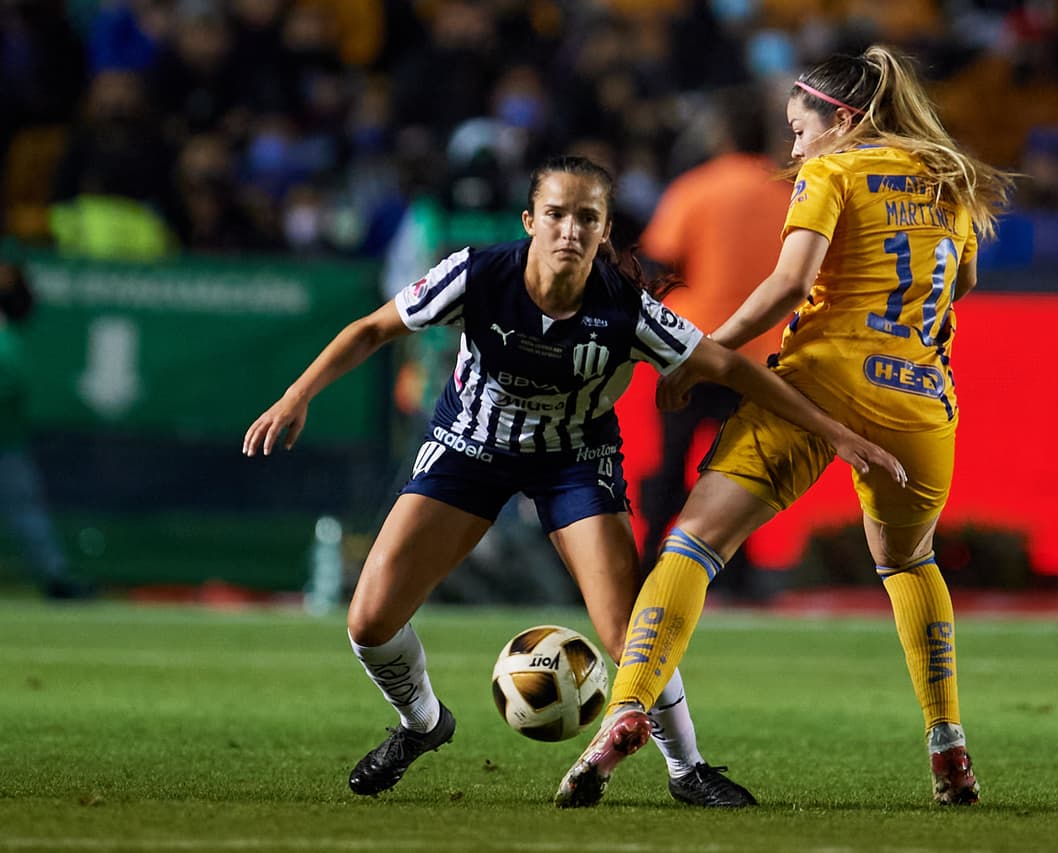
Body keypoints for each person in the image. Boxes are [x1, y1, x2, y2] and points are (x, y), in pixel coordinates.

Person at [242, 155, 905, 806]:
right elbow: (372, 329)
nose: (569, 229)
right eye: (556, 214)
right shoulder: (477, 273)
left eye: (586, 217)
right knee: (369, 621)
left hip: (575, 458)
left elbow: (733, 369)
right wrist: (295, 395)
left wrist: (833, 431)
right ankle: (422, 724)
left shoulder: (625, 309)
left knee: (628, 634)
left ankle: (687, 768)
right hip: (471, 446)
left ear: (604, 231)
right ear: (529, 219)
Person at [556, 46, 1014, 809]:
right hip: (921, 403)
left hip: (819, 382)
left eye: (801, 129)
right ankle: (948, 744)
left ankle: (629, 705)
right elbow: (961, 282)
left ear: (843, 120)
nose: (794, 146)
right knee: (909, 564)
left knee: (692, 542)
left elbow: (792, 282)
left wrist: (709, 354)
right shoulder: (948, 179)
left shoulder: (831, 173)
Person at [636, 85, 793, 599]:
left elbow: (659, 263)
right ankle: (738, 575)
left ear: (721, 135)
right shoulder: (786, 194)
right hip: (758, 355)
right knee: (739, 470)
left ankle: (644, 568)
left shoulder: (695, 189)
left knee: (672, 461)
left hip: (691, 346)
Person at [0, 261, 95, 600]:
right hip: (8, 447)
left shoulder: (7, 341)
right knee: (27, 513)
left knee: (27, 514)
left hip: (7, 446)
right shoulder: (7, 343)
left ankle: (56, 577)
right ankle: (56, 576)